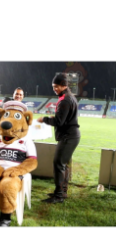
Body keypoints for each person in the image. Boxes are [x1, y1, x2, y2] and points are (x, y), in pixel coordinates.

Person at [37, 73, 81, 204]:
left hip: (68, 137)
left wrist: (44, 119)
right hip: (71, 135)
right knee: (63, 165)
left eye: (56, 86)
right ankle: (62, 192)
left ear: (64, 85)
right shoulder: (68, 97)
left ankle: (59, 195)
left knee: (58, 164)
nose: (54, 89)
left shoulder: (65, 100)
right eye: (53, 86)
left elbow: (59, 121)